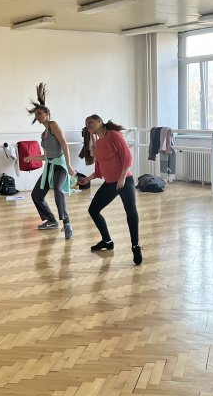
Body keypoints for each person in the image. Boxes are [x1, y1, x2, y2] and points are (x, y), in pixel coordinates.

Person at [77, 114, 143, 265]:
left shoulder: (113, 135)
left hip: (124, 180)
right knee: (93, 210)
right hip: (110, 183)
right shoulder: (98, 143)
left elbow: (127, 157)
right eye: (86, 124)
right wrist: (87, 179)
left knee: (131, 211)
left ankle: (135, 246)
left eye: (91, 122)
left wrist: (122, 178)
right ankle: (107, 241)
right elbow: (100, 168)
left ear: (100, 121)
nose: (88, 125)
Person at [25, 83, 74, 239]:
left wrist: (69, 165)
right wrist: (32, 157)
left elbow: (64, 144)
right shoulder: (43, 135)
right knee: (36, 195)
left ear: (47, 113)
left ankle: (67, 223)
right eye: (36, 115)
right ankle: (51, 221)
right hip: (50, 167)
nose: (38, 116)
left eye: (40, 113)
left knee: (58, 189)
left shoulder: (53, 125)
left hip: (60, 166)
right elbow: (46, 157)